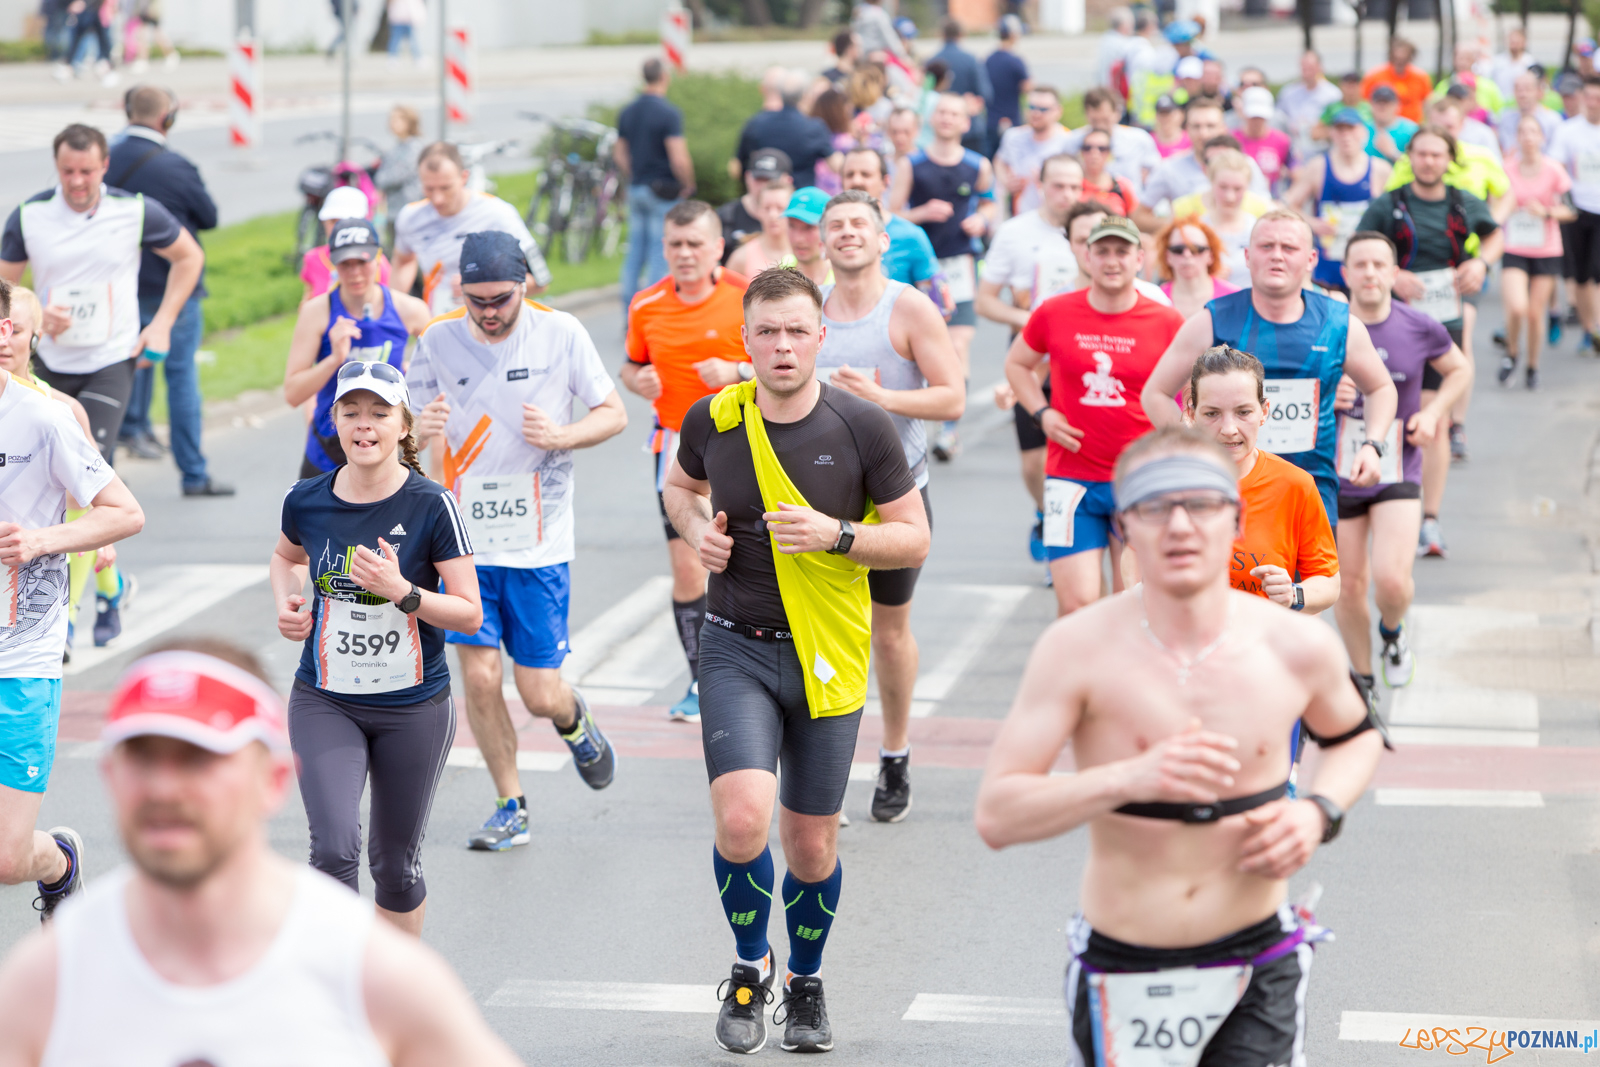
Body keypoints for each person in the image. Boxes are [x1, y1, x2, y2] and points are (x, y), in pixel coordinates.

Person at [974, 425, 1385, 1067]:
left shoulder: (1294, 644)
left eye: (1201, 505)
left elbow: (1357, 738)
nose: (1180, 526)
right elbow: (997, 815)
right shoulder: (1077, 648)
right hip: (1124, 963)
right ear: (1125, 526)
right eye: (1155, 507)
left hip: (1258, 960)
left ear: (1236, 516)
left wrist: (1319, 810)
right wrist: (1126, 778)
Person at [0, 641, 526, 1066]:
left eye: (198, 759)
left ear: (273, 780)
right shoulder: (50, 978)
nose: (165, 787)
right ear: (110, 777)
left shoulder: (372, 973)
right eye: (143, 758)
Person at [662, 266, 929, 1055]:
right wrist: (691, 529)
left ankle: (805, 983)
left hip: (826, 654)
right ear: (744, 339)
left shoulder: (862, 426)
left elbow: (913, 536)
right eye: (766, 331)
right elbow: (679, 487)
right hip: (735, 644)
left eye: (795, 331)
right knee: (744, 821)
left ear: (821, 336)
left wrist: (838, 535)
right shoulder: (713, 416)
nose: (781, 345)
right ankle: (751, 966)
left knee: (811, 845)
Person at [407, 232, 627, 851]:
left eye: (500, 298)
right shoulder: (439, 339)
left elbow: (614, 413)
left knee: (537, 692)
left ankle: (572, 717)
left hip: (538, 542)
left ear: (524, 286)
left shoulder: (561, 333)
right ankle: (511, 805)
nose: (488, 312)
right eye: (476, 300)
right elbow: (401, 438)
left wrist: (562, 436)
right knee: (478, 679)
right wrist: (416, 433)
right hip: (463, 542)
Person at [272, 359, 481, 935]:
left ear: (404, 425)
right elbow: (287, 559)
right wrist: (290, 602)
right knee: (334, 850)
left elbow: (469, 612)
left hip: (412, 707)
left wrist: (404, 593)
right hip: (326, 698)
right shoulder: (306, 499)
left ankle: (394, 1000)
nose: (365, 425)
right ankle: (336, 993)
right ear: (335, 421)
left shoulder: (432, 505)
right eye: (352, 412)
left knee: (393, 864)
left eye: (379, 413)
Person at [0, 276, 145, 921]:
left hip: (21, 657)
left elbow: (124, 511)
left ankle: (58, 860)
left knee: (6, 858)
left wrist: (40, 539)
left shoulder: (44, 418)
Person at [816, 190, 963, 823]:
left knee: (889, 630)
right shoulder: (807, 307)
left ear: (882, 241)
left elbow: (952, 398)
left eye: (860, 225)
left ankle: (895, 752)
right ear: (822, 243)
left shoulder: (908, 308)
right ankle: (823, 768)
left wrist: (880, 399)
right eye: (836, 226)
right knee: (813, 632)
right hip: (815, 494)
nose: (847, 233)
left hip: (896, 495)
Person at [1143, 210, 1400, 529]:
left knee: (1315, 581)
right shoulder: (1213, 320)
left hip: (1310, 490)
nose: (1277, 256)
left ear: (1311, 259)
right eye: (1266, 246)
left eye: (1289, 248)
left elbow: (1381, 388)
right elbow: (1155, 393)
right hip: (1228, 491)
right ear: (1248, 257)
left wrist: (1372, 445)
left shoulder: (1339, 322)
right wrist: (1192, 445)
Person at [1004, 216, 1187, 617]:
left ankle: (1125, 680)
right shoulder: (1054, 312)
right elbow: (1018, 364)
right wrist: (1043, 413)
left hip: (1139, 478)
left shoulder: (1166, 321)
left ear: (1140, 259)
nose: (1112, 260)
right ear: (1087, 256)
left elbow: (1190, 392)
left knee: (1134, 604)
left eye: (1122, 251)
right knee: (1076, 605)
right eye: (1102, 250)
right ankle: (1082, 680)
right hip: (1070, 478)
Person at [0, 124, 203, 469]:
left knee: (89, 463)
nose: (77, 181)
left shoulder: (135, 211)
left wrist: (162, 324)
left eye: (87, 171)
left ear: (105, 165)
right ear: (56, 164)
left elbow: (190, 257)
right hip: (46, 358)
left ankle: (99, 516)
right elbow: (6, 287)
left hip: (110, 357)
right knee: (35, 461)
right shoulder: (29, 215)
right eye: (68, 171)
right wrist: (36, 315)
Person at [622, 201, 751, 724]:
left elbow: (789, 364)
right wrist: (639, 382)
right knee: (687, 566)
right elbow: (632, 367)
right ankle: (703, 681)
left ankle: (755, 668)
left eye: (696, 243)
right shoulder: (646, 304)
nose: (685, 254)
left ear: (718, 246)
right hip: (676, 449)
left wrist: (737, 368)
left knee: (748, 564)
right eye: (675, 244)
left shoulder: (746, 296)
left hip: (744, 441)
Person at [1336, 231, 1471, 701]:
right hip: (1337, 475)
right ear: (1345, 273)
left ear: (1395, 274)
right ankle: (1363, 677)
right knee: (1349, 585)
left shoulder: (1418, 325)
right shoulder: (1326, 326)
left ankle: (1392, 634)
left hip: (1398, 467)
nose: (1370, 273)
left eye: (1379, 265)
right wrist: (1328, 396)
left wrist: (1434, 413)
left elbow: (1460, 369)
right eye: (1361, 265)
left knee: (1392, 580)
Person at [1356, 128, 1501, 556]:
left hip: (1442, 318)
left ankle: (1429, 519)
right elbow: (1361, 244)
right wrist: (1392, 274)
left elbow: (1494, 235)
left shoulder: (1462, 201)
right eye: (1421, 154)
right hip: (1390, 316)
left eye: (1438, 155)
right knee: (1383, 407)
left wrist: (1480, 263)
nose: (1429, 162)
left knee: (1428, 421)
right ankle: (1370, 500)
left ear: (1449, 159)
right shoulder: (1392, 202)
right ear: (1411, 157)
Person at [105, 85, 231, 497]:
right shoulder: (177, 166)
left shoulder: (102, 161)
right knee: (181, 377)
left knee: (113, 376)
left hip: (118, 288)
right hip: (175, 290)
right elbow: (209, 217)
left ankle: (103, 475)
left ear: (127, 112)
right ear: (168, 118)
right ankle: (194, 474)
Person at [2, 286, 123, 662]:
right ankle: (113, 588)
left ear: (34, 337)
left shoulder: (59, 410)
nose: (6, 344)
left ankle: (69, 619)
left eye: (18, 332)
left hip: (48, 546)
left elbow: (94, 494)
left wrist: (102, 536)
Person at [978, 159, 1085, 560]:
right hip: (1032, 352)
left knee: (1076, 449)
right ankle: (1045, 510)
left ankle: (1066, 535)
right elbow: (986, 300)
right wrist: (1032, 319)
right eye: (1059, 186)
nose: (1068, 195)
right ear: (1040, 186)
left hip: (1081, 357)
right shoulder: (1015, 232)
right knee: (1033, 460)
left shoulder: (1092, 229)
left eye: (1075, 187)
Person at [1187, 346, 1339, 612]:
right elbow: (1135, 556)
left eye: (1243, 412)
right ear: (1191, 414)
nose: (1229, 429)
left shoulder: (1295, 484)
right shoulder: (1168, 481)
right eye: (1212, 413)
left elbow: (1328, 580)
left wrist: (1294, 593)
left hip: (1260, 644)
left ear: (1264, 411)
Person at [891, 93, 996, 462]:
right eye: (942, 112)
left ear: (966, 123)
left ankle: (948, 432)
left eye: (956, 113)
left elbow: (990, 202)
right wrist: (922, 212)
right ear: (931, 119)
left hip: (958, 266)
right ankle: (904, 421)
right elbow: (893, 212)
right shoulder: (912, 164)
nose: (949, 119)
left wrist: (982, 220)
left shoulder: (977, 164)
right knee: (911, 349)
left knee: (958, 345)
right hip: (918, 268)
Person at [284, 219, 430, 482]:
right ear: (333, 265)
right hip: (326, 453)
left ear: (378, 258)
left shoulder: (409, 310)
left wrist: (415, 392)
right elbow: (293, 394)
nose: (354, 273)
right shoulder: (317, 312)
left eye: (362, 262)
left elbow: (441, 374)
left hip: (383, 452)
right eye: (345, 264)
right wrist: (334, 360)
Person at [392, 142, 552, 318]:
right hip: (440, 324)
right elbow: (403, 261)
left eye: (446, 188)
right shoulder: (410, 217)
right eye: (429, 188)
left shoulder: (498, 214)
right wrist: (392, 308)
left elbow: (540, 281)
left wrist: (480, 285)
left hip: (491, 323)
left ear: (464, 177)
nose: (437, 199)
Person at [616, 58, 697, 320]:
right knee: (658, 254)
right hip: (662, 191)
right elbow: (678, 157)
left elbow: (620, 153)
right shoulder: (669, 113)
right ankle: (650, 315)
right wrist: (687, 183)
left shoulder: (628, 111)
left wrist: (634, 174)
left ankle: (629, 313)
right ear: (664, 77)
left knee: (634, 253)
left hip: (637, 188)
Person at [1500, 113, 1574, 389]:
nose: (1528, 137)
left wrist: (1545, 211)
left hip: (1546, 248)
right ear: (1517, 137)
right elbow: (1495, 202)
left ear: (1542, 138)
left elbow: (1570, 210)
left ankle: (1532, 365)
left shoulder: (1554, 170)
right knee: (1517, 307)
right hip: (1514, 245)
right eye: (1523, 132)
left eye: (1533, 132)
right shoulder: (1506, 168)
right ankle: (1511, 354)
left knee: (1535, 311)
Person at [1284, 107, 1391, 294]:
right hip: (1328, 266)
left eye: (1351, 129)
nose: (1346, 135)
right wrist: (1314, 224)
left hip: (1366, 268)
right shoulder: (1318, 167)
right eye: (1340, 130)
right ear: (1332, 133)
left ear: (1363, 132)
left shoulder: (1380, 170)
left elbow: (1395, 215)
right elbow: (1287, 204)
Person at [1135, 99, 1268, 230]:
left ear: (1223, 128)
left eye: (1210, 126)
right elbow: (1140, 216)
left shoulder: (1245, 165)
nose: (1203, 133)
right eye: (1196, 126)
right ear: (1187, 129)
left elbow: (1265, 210)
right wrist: (1181, 227)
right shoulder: (1170, 167)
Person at [838, 147, 941, 299]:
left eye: (866, 174)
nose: (856, 181)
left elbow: (938, 305)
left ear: (885, 182)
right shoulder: (833, 235)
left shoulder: (911, 235)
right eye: (850, 174)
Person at [1548, 76, 1600, 353]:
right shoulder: (1568, 131)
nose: (1593, 104)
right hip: (1577, 211)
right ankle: (1588, 329)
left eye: (1598, 98)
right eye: (1588, 97)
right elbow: (1555, 167)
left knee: (1598, 271)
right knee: (1580, 275)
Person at [1168, 150, 1265, 287]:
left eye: (1237, 189)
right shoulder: (1197, 230)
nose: (1229, 197)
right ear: (1211, 183)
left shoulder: (1258, 229)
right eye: (1223, 187)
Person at [733, 71, 839, 191]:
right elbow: (835, 165)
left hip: (766, 196)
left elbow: (736, 168)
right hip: (801, 198)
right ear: (805, 95)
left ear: (780, 94)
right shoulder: (814, 127)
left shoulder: (756, 123)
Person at [300, 185, 393, 301]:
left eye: (345, 221)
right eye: (333, 221)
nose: (339, 227)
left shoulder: (376, 261)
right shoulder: (313, 258)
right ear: (324, 223)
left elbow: (391, 305)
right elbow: (308, 302)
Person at [1064, 88, 1162, 195]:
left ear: (1117, 114)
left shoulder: (1139, 139)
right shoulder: (1072, 141)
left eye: (1105, 120)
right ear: (1086, 115)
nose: (1100, 125)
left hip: (1129, 204)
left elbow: (1155, 175)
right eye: (1095, 120)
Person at [993, 86, 1072, 215]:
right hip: (1020, 215)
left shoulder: (1068, 140)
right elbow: (1000, 161)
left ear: (1058, 111)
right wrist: (1006, 181)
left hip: (1056, 217)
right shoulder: (1013, 136)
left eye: (1043, 109)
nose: (1036, 113)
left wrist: (1045, 180)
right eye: (1031, 107)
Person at [717, 148, 792, 266]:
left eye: (770, 181)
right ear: (747, 177)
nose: (763, 186)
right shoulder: (726, 216)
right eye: (759, 179)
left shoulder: (800, 239)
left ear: (787, 181)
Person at [930, 18, 993, 155]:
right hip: (969, 128)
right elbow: (986, 94)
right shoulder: (971, 60)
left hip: (941, 127)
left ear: (942, 34)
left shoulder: (932, 60)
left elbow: (925, 94)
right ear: (961, 34)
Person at [1155, 216, 1237, 319]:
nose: (1187, 255)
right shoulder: (1155, 298)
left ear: (1211, 256)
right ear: (1167, 256)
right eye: (1178, 249)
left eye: (1196, 249)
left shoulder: (1234, 297)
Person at [1278, 50, 1343, 162]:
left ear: (1320, 68)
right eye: (1304, 68)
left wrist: (1321, 132)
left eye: (1310, 68)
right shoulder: (1288, 92)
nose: (1306, 72)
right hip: (1294, 150)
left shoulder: (1333, 94)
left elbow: (1339, 125)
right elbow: (1278, 119)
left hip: (1322, 151)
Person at [725, 181, 794, 278]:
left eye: (780, 208)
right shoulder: (741, 258)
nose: (773, 215)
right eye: (767, 208)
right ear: (758, 211)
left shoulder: (805, 253)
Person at [985, 15, 1030, 155]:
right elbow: (1027, 87)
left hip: (991, 119)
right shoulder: (1016, 61)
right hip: (1012, 118)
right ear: (1013, 35)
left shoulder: (988, 60)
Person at [1235, 86, 1293, 195]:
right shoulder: (1231, 139)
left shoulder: (1282, 141)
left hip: (1270, 201)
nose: (1257, 121)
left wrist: (1286, 200)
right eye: (1253, 116)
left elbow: (1297, 174)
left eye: (1261, 117)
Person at [1362, 37, 1433, 123]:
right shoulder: (1375, 76)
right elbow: (1364, 103)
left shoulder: (1421, 77)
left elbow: (1427, 103)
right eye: (1397, 59)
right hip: (1384, 126)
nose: (1399, 63)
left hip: (1413, 125)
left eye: (1403, 60)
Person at [375, 104, 424, 219]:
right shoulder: (399, 146)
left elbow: (398, 174)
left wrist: (380, 180)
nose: (392, 123)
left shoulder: (413, 147)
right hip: (395, 206)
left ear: (409, 122)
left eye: (397, 119)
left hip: (408, 206)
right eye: (391, 119)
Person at [1497, 69, 1564, 154]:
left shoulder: (1553, 120)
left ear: (1539, 92)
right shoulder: (1505, 118)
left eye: (1527, 89)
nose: (1522, 94)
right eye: (1518, 89)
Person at [1077, 127, 1140, 216]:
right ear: (1081, 152)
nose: (1094, 153)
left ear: (1109, 153)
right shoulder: (1071, 185)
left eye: (1102, 148)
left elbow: (1136, 219)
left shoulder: (1121, 186)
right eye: (1088, 148)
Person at [782, 187, 834, 287]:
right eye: (792, 226)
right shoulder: (776, 273)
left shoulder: (843, 277)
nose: (798, 239)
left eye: (809, 228)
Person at [1368, 85, 1418, 161]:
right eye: (1378, 102)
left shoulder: (1412, 131)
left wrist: (1393, 153)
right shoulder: (1361, 129)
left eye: (1387, 103)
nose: (1382, 107)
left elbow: (1418, 164)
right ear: (1371, 105)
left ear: (1398, 106)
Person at [1095, 6, 1136, 91]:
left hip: (1103, 88)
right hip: (1114, 91)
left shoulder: (1106, 39)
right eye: (1131, 24)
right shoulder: (1122, 44)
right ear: (1124, 25)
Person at [1491, 24, 1536, 98]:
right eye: (1512, 42)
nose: (1514, 46)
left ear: (1524, 43)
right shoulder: (1497, 62)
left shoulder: (1530, 62)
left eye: (1517, 43)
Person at [1151, 94, 1190, 159]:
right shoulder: (1149, 141)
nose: (1165, 118)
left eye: (1168, 113)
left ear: (1180, 114)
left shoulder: (1190, 140)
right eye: (1161, 113)